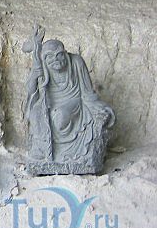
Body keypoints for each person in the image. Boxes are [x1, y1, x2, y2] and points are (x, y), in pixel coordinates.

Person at [24, 25, 115, 171]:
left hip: (73, 100)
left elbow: (87, 92)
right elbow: (31, 91)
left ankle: (69, 154)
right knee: (35, 114)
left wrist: (98, 108)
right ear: (45, 59)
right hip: (50, 101)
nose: (56, 60)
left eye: (59, 55)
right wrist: (35, 74)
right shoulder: (42, 67)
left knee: (60, 117)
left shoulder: (76, 62)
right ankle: (41, 150)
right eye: (50, 57)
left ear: (65, 54)